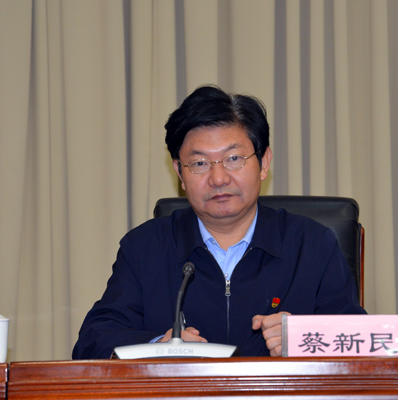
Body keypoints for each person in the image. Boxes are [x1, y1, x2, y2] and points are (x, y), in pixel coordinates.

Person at [72, 85, 366, 359]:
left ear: (263, 163)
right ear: (180, 173)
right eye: (200, 163)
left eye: (234, 158)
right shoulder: (144, 248)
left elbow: (363, 343)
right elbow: (92, 342)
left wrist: (305, 339)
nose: (219, 178)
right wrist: (157, 348)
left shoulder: (312, 245)